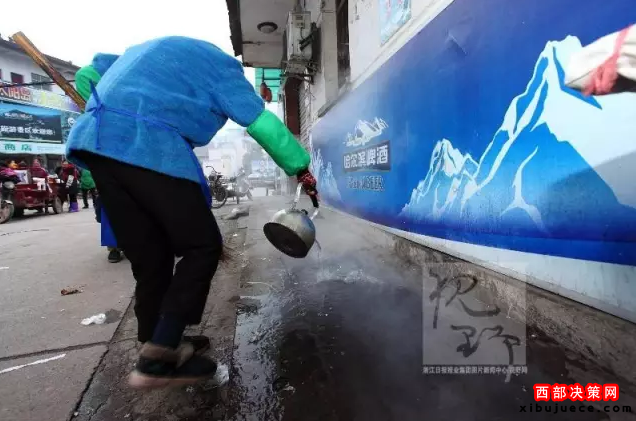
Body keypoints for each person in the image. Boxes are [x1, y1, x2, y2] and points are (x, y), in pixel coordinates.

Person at [66, 37, 318, 389]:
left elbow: (92, 72)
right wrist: (301, 168)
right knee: (202, 246)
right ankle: (158, 358)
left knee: (151, 257)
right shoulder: (222, 68)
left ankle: (158, 340)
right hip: (146, 144)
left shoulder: (142, 59)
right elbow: (260, 121)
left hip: (97, 147)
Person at [75, 55, 125, 263]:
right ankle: (115, 246)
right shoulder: (90, 76)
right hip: (108, 150)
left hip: (109, 150)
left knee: (114, 202)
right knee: (113, 202)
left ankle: (117, 246)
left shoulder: (88, 76)